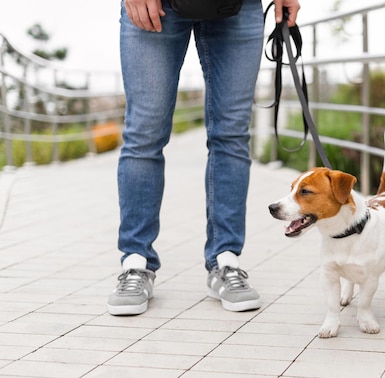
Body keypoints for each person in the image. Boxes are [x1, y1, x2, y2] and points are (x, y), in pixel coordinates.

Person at [107, 0, 300, 316]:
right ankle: (135, 262)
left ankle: (226, 261)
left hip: (240, 5)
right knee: (144, 133)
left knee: (232, 135)